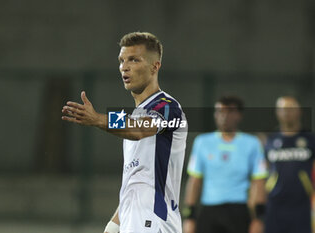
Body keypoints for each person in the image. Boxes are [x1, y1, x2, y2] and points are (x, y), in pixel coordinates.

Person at [61, 32, 188, 233]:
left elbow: (139, 130)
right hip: (136, 221)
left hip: (154, 222)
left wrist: (97, 119)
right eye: (122, 61)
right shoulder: (136, 115)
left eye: (134, 60)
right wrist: (113, 226)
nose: (124, 67)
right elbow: (136, 182)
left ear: (155, 66)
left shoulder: (167, 107)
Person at [183, 96, 267, 233]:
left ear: (239, 115)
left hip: (238, 211)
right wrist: (189, 217)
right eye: (219, 112)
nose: (223, 116)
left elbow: (259, 182)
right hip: (209, 211)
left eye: (229, 112)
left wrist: (259, 219)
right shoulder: (202, 142)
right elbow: (194, 181)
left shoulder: (252, 144)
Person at [264, 96, 315, 233]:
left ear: (299, 111)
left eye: (290, 109)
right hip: (275, 204)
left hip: (302, 205)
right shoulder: (269, 140)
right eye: (282, 109)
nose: (286, 112)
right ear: (277, 112)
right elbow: (262, 171)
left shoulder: (310, 140)